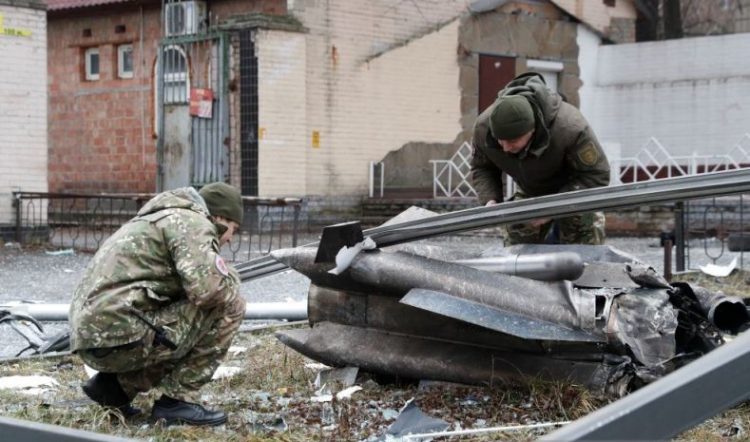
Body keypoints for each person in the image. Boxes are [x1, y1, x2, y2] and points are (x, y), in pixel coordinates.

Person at [69, 182, 246, 426]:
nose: (230, 238)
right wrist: (230, 277)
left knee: (182, 322)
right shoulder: (193, 223)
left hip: (94, 336)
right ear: (221, 217)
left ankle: (115, 388)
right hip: (119, 334)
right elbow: (208, 292)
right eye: (233, 229)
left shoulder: (160, 217)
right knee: (230, 304)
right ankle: (177, 402)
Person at [470, 72, 610, 245]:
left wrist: (553, 208)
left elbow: (597, 175)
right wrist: (490, 199)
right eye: (500, 141)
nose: (505, 148)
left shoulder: (570, 128)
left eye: (513, 141)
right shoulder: (483, 128)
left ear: (532, 130)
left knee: (584, 244)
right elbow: (482, 166)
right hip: (531, 190)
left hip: (574, 192)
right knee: (517, 245)